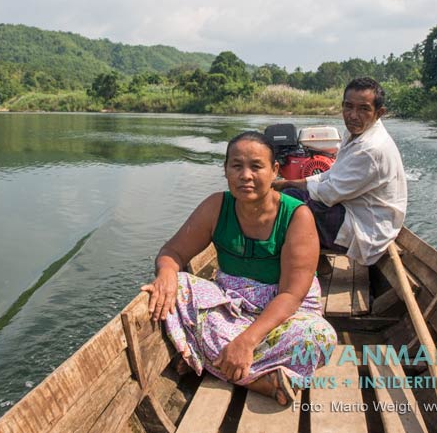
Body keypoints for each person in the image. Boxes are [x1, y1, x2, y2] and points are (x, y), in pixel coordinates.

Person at [141, 131, 337, 405]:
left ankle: (208, 359)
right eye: (236, 166)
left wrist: (246, 342)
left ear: (274, 171)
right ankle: (260, 381)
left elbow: (292, 295)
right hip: (230, 307)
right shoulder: (215, 206)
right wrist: (166, 273)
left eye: (256, 166)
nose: (245, 175)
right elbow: (173, 252)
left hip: (283, 313)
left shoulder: (296, 216)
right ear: (226, 170)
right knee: (181, 285)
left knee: (319, 337)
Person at [272, 77, 407, 266]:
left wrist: (285, 185)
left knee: (287, 206)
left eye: (363, 109)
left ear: (379, 112)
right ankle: (318, 261)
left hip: (368, 230)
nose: (353, 115)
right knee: (291, 195)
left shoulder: (371, 149)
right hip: (359, 212)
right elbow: (331, 174)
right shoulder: (355, 134)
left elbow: (329, 194)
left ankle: (305, 264)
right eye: (348, 106)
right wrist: (290, 183)